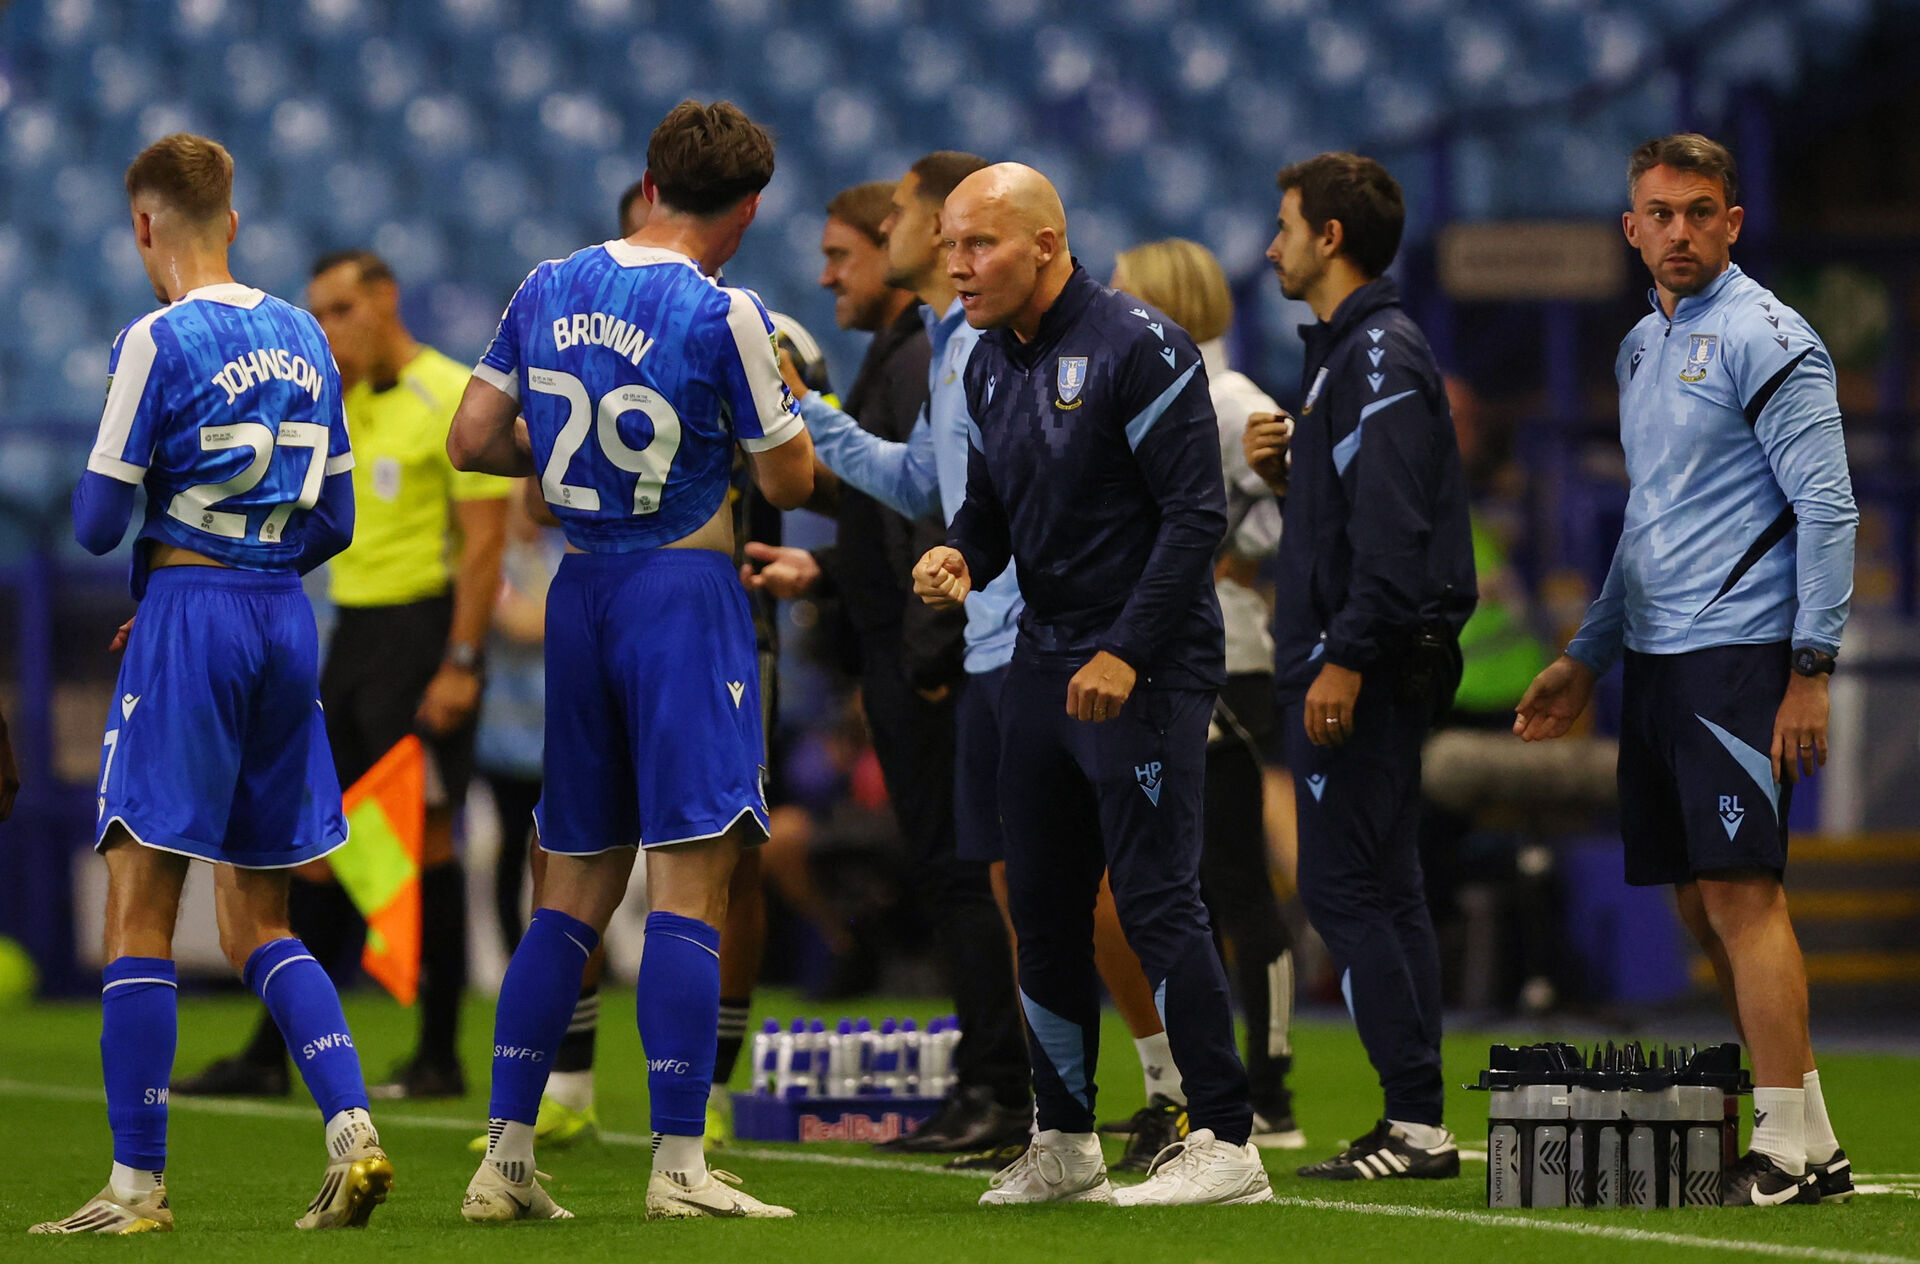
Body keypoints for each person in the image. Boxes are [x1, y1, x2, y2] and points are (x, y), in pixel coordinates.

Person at [448, 99, 812, 1223]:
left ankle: (505, 1162)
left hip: (584, 591)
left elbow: (469, 440)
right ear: (748, 209)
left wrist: (558, 460)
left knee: (567, 887)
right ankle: (678, 1167)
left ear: (650, 178)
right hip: (683, 594)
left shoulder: (547, 281)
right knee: (690, 886)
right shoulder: (728, 310)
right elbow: (792, 483)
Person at [37, 133, 390, 1233]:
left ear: (145, 226)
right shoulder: (305, 334)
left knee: (140, 903)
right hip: (286, 617)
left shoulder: (154, 337)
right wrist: (248, 569)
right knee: (260, 913)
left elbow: (96, 527)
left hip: (191, 621)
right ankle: (352, 1132)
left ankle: (137, 1186)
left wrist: (185, 573)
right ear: (232, 221)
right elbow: (334, 519)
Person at [918, 162, 1272, 1208]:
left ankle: (1226, 1140)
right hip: (1044, 652)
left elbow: (1195, 517)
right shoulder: (985, 360)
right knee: (1042, 905)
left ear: (1044, 242)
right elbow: (987, 511)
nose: (956, 266)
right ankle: (1066, 1137)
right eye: (948, 246)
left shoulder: (1140, 344)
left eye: (975, 245)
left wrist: (1126, 649)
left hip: (1148, 659)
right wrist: (960, 559)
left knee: (1159, 897)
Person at [1515, 133, 1858, 1207]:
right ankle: (1811, 1131)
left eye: (1699, 211)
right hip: (1657, 663)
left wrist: (1811, 667)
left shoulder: (1772, 339)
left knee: (1740, 892)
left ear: (1733, 222)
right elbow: (1645, 523)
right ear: (1630, 228)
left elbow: (1830, 507)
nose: (1678, 231)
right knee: (1696, 906)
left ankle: (1788, 1144)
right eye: (1658, 214)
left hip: (1744, 655)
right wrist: (1585, 655)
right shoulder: (1636, 349)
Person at [175, 248, 512, 1102]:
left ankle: (438, 1053)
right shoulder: (334, 402)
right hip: (350, 640)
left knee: (426, 841)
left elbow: (483, 548)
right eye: (315, 313)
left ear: (386, 299)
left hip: (422, 638)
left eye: (339, 310)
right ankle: (271, 1053)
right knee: (320, 851)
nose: (325, 330)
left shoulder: (449, 395)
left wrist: (462, 662)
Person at [746, 167, 1032, 1156]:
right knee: (959, 874)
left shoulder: (932, 354)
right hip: (923, 648)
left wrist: (927, 655)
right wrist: (823, 570)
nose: (828, 278)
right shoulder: (921, 353)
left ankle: (1005, 1088)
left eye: (841, 255)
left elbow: (941, 515)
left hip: (941, 657)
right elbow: (902, 498)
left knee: (967, 875)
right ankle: (991, 1082)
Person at [1243, 151, 1476, 1181]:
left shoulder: (1377, 354)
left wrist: (1343, 658)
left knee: (1347, 891)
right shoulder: (1350, 354)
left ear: (1329, 238)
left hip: (1363, 664)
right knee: (1385, 886)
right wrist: (1292, 477)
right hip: (1363, 654)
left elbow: (1391, 534)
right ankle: (1419, 1118)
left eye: (1285, 225)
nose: (1270, 244)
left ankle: (1416, 1121)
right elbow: (1358, 516)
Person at [1110, 237, 1304, 1151]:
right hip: (1175, 651)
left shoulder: (1230, 401)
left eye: (1121, 291)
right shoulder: (1162, 392)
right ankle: (1203, 1085)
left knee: (1228, 877)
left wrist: (1253, 513)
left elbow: (1284, 523)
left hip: (1223, 656)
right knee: (1175, 876)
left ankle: (1268, 1093)